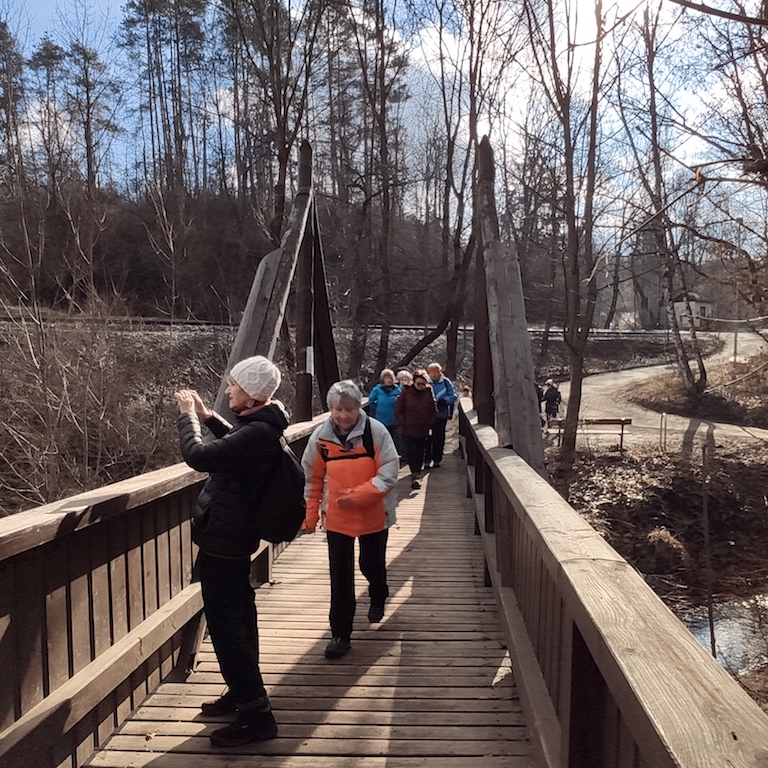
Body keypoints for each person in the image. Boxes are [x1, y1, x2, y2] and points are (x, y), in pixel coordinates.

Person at [174, 356, 285, 747]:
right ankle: (244, 694)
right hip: (232, 536)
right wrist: (208, 417)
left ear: (252, 393)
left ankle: (256, 717)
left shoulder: (258, 431)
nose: (227, 390)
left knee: (227, 627)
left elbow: (200, 457)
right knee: (239, 617)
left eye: (233, 385)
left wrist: (188, 416)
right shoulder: (264, 424)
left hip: (227, 538)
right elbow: (238, 445)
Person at [301, 380, 399, 659]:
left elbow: (390, 472)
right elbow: (312, 477)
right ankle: (340, 635)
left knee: (370, 563)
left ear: (360, 407)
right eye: (337, 409)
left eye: (349, 409)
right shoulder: (320, 438)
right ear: (330, 409)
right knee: (340, 577)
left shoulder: (376, 433)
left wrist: (359, 496)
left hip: (373, 513)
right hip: (337, 517)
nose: (343, 415)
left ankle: (378, 592)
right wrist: (310, 514)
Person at [394, 369, 437, 490]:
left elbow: (433, 409)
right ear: (414, 382)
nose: (421, 387)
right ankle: (414, 471)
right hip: (408, 428)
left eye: (424, 384)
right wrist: (403, 422)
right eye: (419, 384)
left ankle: (416, 474)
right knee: (409, 452)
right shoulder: (406, 392)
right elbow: (398, 408)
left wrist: (429, 423)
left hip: (422, 428)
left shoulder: (428, 392)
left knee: (420, 452)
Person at [425, 362, 457, 469]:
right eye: (431, 372)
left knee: (439, 437)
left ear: (440, 372)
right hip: (428, 414)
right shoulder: (426, 382)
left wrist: (444, 401)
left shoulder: (446, 382)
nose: (433, 375)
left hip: (441, 414)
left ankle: (437, 458)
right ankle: (427, 459)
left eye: (435, 372)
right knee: (427, 437)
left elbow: (453, 396)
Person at [367, 368, 401, 446]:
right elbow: (371, 401)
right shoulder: (377, 389)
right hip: (381, 419)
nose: (389, 380)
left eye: (390, 378)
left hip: (394, 420)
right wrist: (378, 409)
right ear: (383, 379)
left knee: (394, 441)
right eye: (386, 378)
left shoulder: (398, 390)